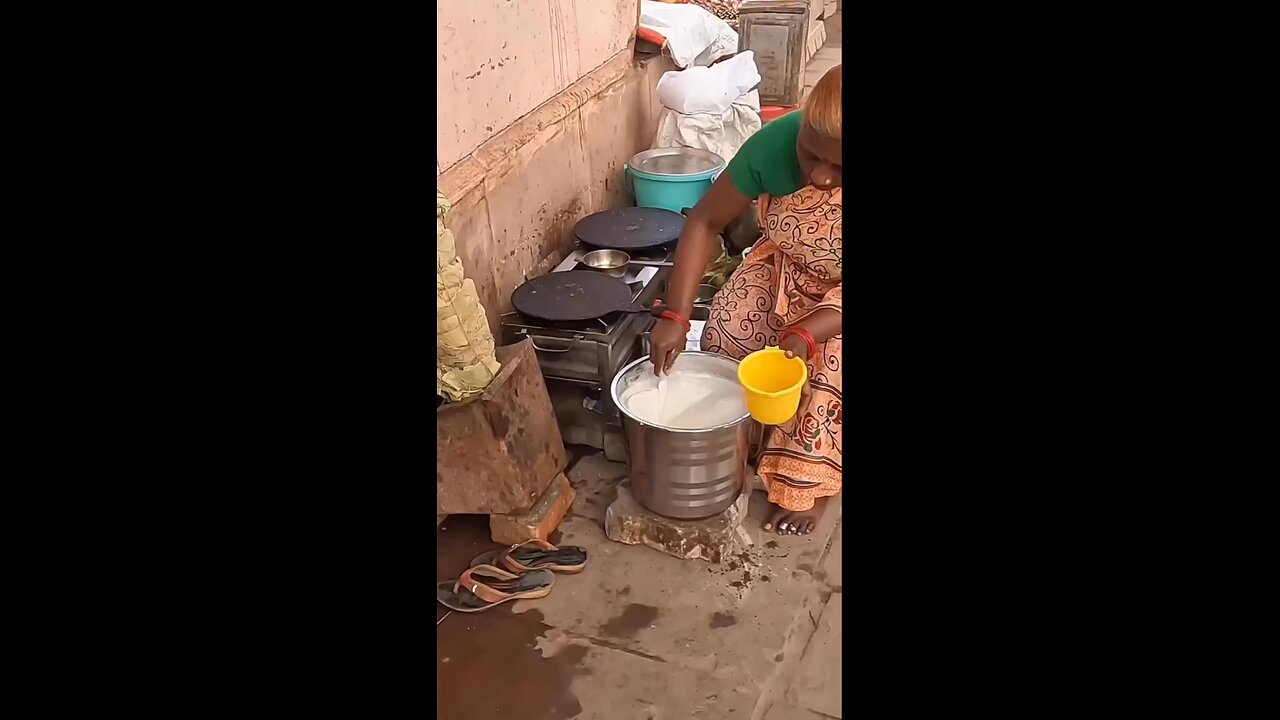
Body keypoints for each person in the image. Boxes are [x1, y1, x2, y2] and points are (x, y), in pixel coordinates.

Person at [649, 65, 842, 536]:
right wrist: (675, 315)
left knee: (823, 366)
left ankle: (804, 480)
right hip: (784, 264)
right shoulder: (773, 145)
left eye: (840, 167)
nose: (819, 177)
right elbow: (703, 222)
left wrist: (807, 332)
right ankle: (742, 448)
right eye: (810, 156)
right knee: (730, 328)